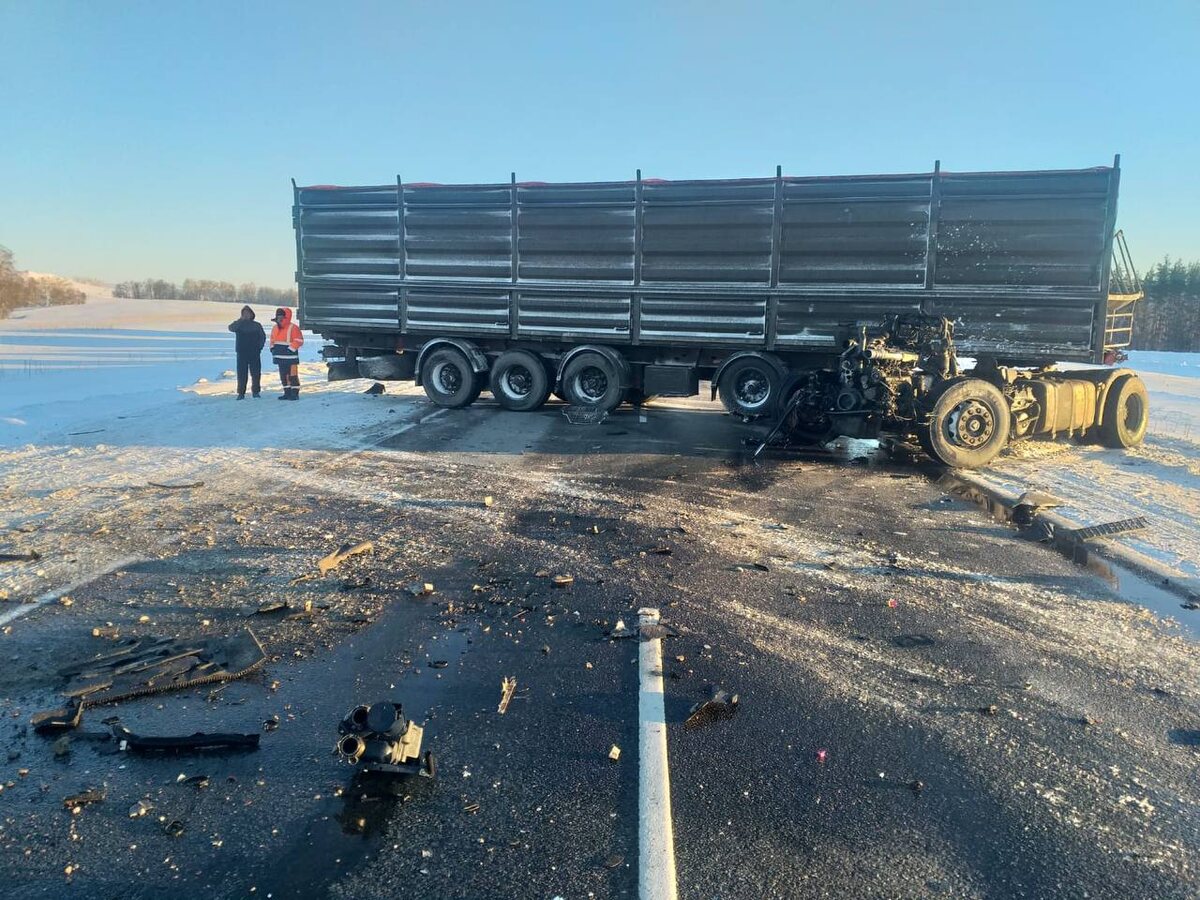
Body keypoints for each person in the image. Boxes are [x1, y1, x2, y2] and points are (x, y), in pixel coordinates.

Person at [227, 305, 266, 399]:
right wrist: (240, 320)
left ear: (251, 314)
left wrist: (259, 348)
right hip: (242, 352)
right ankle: (241, 393)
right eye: (244, 314)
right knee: (241, 374)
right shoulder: (239, 325)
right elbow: (231, 328)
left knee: (256, 373)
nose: (246, 315)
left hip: (254, 352)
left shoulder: (257, 325)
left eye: (247, 313)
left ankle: (256, 392)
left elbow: (262, 337)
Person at [269, 306, 304, 400]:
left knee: (293, 376)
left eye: (281, 316)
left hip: (291, 358)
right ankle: (287, 393)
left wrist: (290, 349)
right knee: (283, 376)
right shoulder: (275, 328)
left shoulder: (293, 327)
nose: (279, 318)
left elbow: (299, 340)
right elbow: (272, 340)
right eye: (278, 316)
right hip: (279, 357)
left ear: (286, 317)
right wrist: (272, 348)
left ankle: (295, 394)